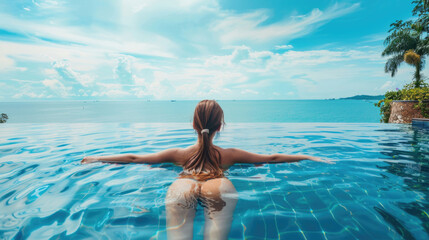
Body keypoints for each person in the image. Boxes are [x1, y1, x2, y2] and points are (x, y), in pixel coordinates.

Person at [81, 99, 333, 239]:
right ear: (220, 127)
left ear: (193, 124)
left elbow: (134, 158)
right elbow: (274, 157)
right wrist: (308, 156)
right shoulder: (231, 155)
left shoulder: (178, 154)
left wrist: (96, 158)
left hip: (182, 185)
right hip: (219, 186)